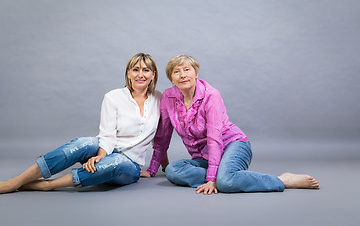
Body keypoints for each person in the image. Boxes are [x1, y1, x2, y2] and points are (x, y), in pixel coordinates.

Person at [141, 54, 320, 195]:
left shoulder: (211, 95)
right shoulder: (168, 97)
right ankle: (227, 174)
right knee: (172, 171)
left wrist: (212, 180)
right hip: (203, 157)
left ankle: (282, 180)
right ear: (171, 78)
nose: (183, 75)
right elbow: (163, 135)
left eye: (187, 70)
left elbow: (214, 138)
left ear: (196, 74)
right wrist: (152, 168)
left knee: (225, 183)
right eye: (176, 72)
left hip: (232, 145)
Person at [0, 53, 167, 194]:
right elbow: (107, 134)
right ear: (128, 73)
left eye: (146, 70)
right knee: (83, 143)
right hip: (107, 149)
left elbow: (161, 137)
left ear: (153, 74)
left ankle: (47, 185)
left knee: (117, 162)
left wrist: (162, 166)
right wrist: (100, 156)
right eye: (135, 69)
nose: (140, 74)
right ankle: (15, 182)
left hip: (129, 164)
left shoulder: (160, 99)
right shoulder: (113, 97)